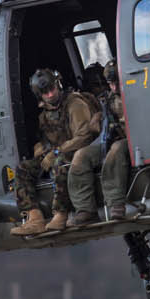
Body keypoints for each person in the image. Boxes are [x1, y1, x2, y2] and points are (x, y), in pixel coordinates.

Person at [12, 68, 100, 236]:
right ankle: (35, 217)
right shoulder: (45, 115)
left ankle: (60, 214)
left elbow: (85, 136)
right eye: (45, 92)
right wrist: (43, 150)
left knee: (61, 164)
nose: (50, 94)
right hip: (57, 154)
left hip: (78, 153)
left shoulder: (75, 103)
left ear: (58, 85)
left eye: (52, 89)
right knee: (23, 168)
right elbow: (46, 140)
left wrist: (57, 152)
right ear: (40, 96)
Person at [68, 59, 133, 225]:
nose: (115, 87)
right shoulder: (107, 100)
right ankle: (85, 209)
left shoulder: (137, 93)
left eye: (117, 82)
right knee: (81, 156)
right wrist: (98, 119)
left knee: (117, 150)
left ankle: (116, 203)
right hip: (114, 137)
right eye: (111, 83)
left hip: (134, 140)